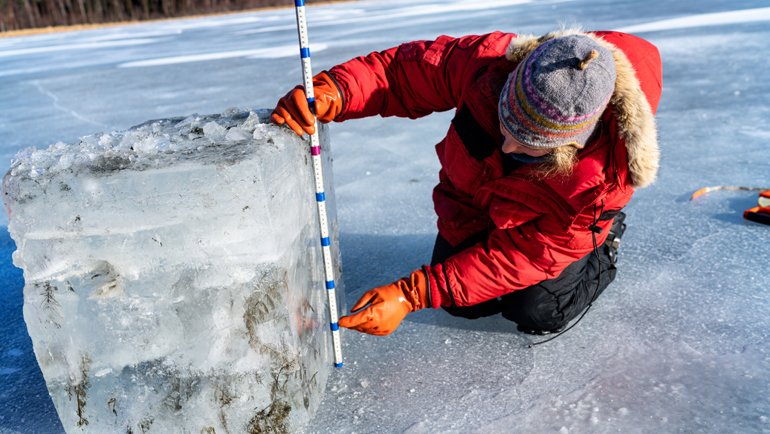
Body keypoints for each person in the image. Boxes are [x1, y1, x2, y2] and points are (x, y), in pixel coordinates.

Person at [272, 29, 662, 336]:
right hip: (482, 200)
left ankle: (603, 246)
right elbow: (402, 73)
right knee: (464, 304)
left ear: (570, 146)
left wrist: (412, 294)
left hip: (549, 235)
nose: (507, 143)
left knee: (537, 309)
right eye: (504, 121)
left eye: (527, 145)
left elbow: (526, 256)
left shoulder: (600, 182)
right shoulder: (490, 65)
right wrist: (336, 91)